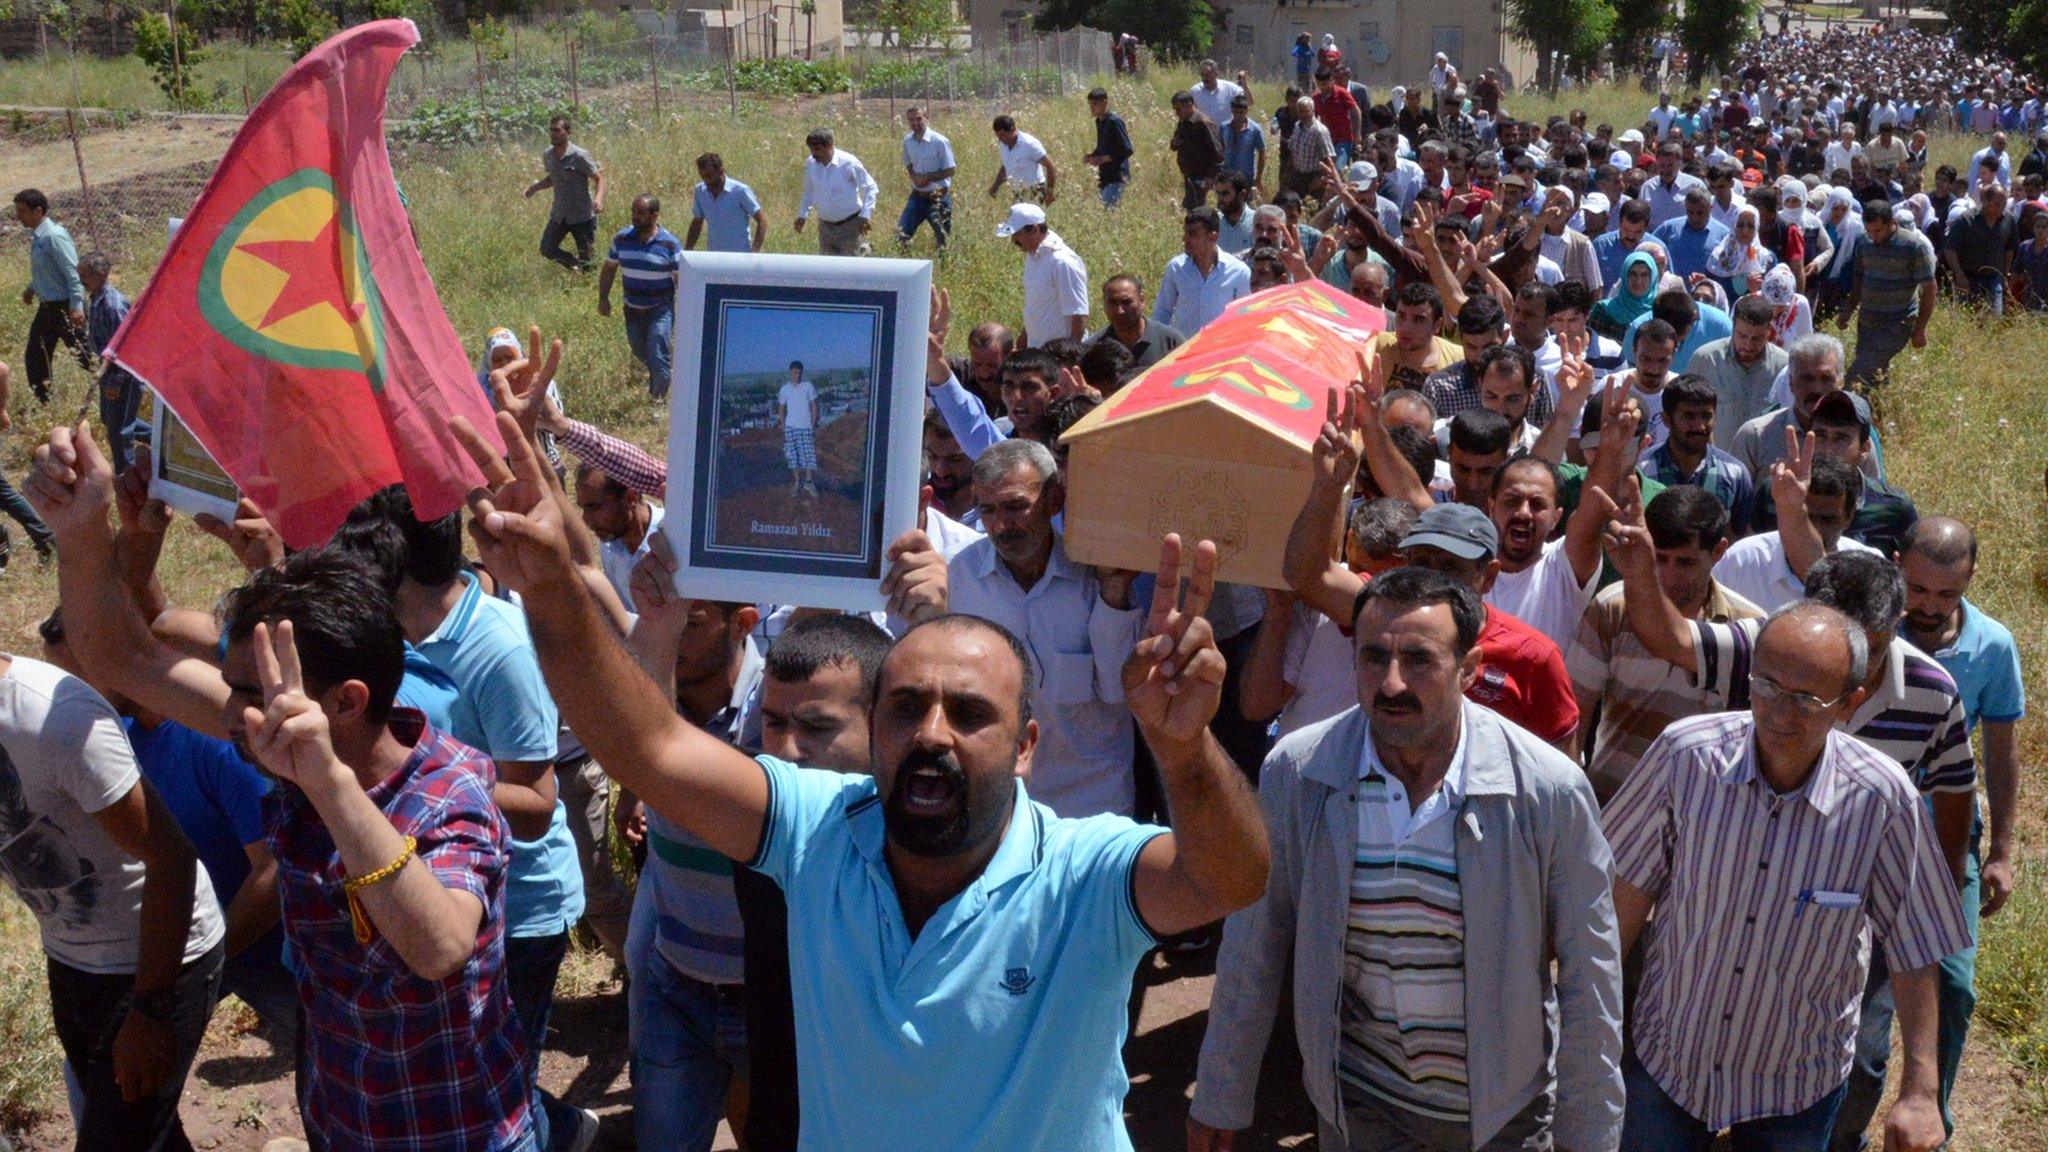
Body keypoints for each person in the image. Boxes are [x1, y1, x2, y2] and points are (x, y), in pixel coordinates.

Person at [458, 404, 1272, 1150]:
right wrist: (552, 588)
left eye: (970, 713)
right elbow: (649, 749)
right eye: (906, 705)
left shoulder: (1079, 874)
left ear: (1028, 746)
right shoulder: (818, 830)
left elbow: (1228, 878)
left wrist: (1184, 748)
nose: (933, 734)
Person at [32, 424, 537, 1151]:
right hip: (341, 1120)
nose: (233, 710)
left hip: (453, 1130)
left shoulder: (449, 790)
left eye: (254, 692)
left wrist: (327, 784)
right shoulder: (279, 734)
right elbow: (121, 655)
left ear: (348, 702)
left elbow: (438, 947)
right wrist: (82, 530)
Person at [1190, 565, 1624, 1152]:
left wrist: (1588, 1139)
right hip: (1362, 1109)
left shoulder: (1546, 790)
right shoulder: (1302, 772)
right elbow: (1254, 939)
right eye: (1373, 657)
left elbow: (1590, 978)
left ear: (1469, 670)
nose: (1391, 682)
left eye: (1419, 659)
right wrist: (1221, 1092)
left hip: (1504, 1119)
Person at [1597, 592, 1968, 1152]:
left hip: (1796, 1080)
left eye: (1806, 700)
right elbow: (1621, 902)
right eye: (1766, 687)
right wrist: (1583, 1028)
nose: (1777, 713)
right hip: (1670, 1056)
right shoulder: (1686, 759)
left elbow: (1916, 942)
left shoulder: (1883, 800)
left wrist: (1919, 1090)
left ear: (1850, 704)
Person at [0, 636, 223, 1152]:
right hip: (73, 959)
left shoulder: (53, 721)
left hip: (160, 958)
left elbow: (171, 857)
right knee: (145, 1134)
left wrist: (150, 1011)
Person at [729, 614, 894, 1152]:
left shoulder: (927, 848)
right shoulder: (762, 822)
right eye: (774, 722)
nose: (788, 749)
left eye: (818, 728)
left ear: (885, 721)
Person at [1887, 517, 2024, 1144]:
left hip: (1946, 836)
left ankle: (1927, 1118)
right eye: (1917, 590)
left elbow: (2000, 750)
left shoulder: (1992, 646)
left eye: (1946, 594)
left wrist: (2000, 850)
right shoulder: (1869, 629)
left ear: (1970, 580)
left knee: (1955, 982)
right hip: (1864, 830)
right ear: (1897, 568)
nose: (1929, 607)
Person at [942, 438, 1144, 817]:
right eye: (988, 510)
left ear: (1054, 501)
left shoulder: (1097, 577)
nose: (1001, 526)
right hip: (997, 799)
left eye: (1015, 507)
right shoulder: (959, 578)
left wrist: (1114, 596)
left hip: (1093, 800)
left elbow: (1119, 691)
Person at [1568, 485, 1763, 803]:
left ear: (1718, 552)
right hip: (1613, 803)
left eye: (1685, 563)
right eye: (1659, 559)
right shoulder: (1612, 609)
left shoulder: (1747, 627)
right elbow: (1575, 715)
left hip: (1700, 816)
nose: (1669, 576)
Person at [1640, 374, 1755, 536]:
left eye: (1706, 416)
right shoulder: (1643, 470)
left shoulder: (1734, 474)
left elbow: (1740, 538)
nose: (1699, 426)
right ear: (1667, 419)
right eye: (1689, 416)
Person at [1838, 200, 1936, 390]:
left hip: (1897, 323)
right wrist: (1848, 311)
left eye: (1878, 231)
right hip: (1867, 322)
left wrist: (1920, 328)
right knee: (1874, 377)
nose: (1873, 236)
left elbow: (1930, 289)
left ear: (1892, 223)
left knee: (1855, 378)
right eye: (1869, 231)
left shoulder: (1913, 246)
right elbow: (1859, 279)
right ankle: (1878, 414)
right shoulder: (1864, 243)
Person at [598, 194, 682, 399]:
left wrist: (687, 308)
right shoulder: (622, 239)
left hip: (660, 308)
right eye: (633, 212)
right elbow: (609, 268)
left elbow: (680, 278)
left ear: (654, 216)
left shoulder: (669, 244)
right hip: (632, 308)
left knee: (657, 351)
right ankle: (662, 371)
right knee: (639, 349)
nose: (635, 217)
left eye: (641, 213)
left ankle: (658, 400)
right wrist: (603, 297)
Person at [14, 188, 88, 404]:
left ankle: (117, 388)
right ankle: (44, 405)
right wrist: (32, 287)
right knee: (36, 358)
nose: (18, 217)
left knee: (86, 356)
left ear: (38, 211)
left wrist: (77, 306)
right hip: (47, 309)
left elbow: (73, 273)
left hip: (66, 309)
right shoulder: (38, 236)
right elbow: (47, 270)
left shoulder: (54, 236)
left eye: (22, 211)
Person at [1689, 295, 1789, 450]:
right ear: (1733, 326)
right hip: (1716, 462)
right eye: (1742, 336)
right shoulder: (1705, 360)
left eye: (1757, 338)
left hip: (1763, 464)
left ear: (1769, 330)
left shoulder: (1784, 368)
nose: (1748, 345)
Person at [77, 253, 145, 472]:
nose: (81, 280)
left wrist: (115, 383)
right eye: (79, 275)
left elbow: (127, 348)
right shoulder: (95, 299)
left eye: (85, 275)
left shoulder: (112, 305)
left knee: (119, 430)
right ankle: (161, 440)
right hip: (109, 371)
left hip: (123, 374)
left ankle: (126, 476)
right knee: (110, 418)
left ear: (102, 275)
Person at [997, 203, 1089, 348]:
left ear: (1034, 229)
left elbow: (1078, 314)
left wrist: (1071, 356)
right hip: (1038, 351)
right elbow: (1038, 307)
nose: (1013, 240)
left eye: (1017, 234)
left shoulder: (1062, 262)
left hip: (1059, 355)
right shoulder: (1033, 256)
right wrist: (1023, 341)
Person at [1154, 208, 1252, 336]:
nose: (1185, 239)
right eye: (1185, 232)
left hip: (1218, 350)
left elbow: (1245, 317)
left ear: (1213, 237)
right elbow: (1162, 311)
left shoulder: (1239, 272)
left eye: (1192, 234)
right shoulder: (1176, 268)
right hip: (1183, 349)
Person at [524, 117, 604, 271]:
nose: (553, 133)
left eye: (557, 130)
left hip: (582, 215)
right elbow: (552, 178)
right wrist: (535, 188)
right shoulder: (548, 154)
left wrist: (599, 199)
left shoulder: (579, 155)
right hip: (560, 214)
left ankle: (588, 284)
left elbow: (599, 179)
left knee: (588, 262)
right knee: (546, 248)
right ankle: (573, 264)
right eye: (551, 130)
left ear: (568, 133)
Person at [795, 128, 878, 257]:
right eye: (811, 149)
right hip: (825, 227)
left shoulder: (849, 163)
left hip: (851, 226)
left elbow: (871, 187)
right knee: (828, 270)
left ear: (829, 145)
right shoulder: (811, 163)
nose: (813, 153)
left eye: (817, 149)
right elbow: (808, 191)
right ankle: (866, 250)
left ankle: (867, 251)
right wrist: (802, 215)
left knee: (850, 269)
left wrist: (865, 215)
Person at [1942, 181, 2014, 314]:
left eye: (2004, 204)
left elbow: (2010, 247)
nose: (2001, 208)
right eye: (1997, 204)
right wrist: (1959, 274)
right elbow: (1950, 249)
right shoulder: (1966, 220)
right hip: (1969, 278)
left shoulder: (2008, 220)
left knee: (1994, 316)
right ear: (1986, 201)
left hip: (1995, 278)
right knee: (1967, 316)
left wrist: (2006, 272)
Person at [1089, 274, 1183, 371]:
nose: (1119, 311)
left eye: (1126, 302)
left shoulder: (1170, 342)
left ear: (1141, 301)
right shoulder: (1092, 350)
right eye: (1113, 303)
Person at [898, 106, 956, 251]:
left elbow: (951, 169)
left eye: (919, 118)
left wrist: (928, 177)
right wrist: (915, 177)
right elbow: (908, 163)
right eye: (911, 120)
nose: (915, 123)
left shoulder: (939, 141)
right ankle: (905, 268)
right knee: (901, 235)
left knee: (943, 239)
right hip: (917, 197)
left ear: (927, 117)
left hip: (938, 198)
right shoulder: (907, 141)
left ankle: (944, 269)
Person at [685, 152, 766, 254]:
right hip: (714, 257)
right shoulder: (700, 191)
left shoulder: (740, 191)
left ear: (721, 171)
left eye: (709, 175)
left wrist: (754, 253)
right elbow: (697, 222)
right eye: (703, 176)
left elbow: (762, 220)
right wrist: (687, 252)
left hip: (740, 257)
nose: (706, 180)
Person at [1169, 90, 1226, 210]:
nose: (1176, 113)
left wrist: (1211, 176)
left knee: (1194, 207)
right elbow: (1176, 141)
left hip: (1202, 175)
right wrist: (1174, 143)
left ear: (1190, 105)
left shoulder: (1203, 123)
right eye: (1175, 109)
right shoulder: (1184, 121)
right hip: (1190, 173)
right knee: (1192, 205)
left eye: (1178, 109)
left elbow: (1217, 152)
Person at [1082, 88, 1135, 208]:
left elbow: (1127, 149)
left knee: (1110, 213)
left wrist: (1105, 159)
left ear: (1105, 103)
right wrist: (1092, 156)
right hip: (1105, 176)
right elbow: (1103, 147)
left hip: (1117, 176)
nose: (1091, 108)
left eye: (1095, 104)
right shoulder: (1100, 122)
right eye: (1090, 104)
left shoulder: (1114, 121)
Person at [988, 114, 1056, 204]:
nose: (1000, 139)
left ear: (1012, 129)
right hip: (1018, 192)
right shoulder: (1004, 145)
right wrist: (995, 186)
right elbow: (1006, 166)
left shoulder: (1029, 144)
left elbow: (1050, 166)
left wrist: (1049, 192)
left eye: (1003, 135)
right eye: (998, 136)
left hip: (1035, 191)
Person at [778, 360, 822, 497]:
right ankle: (797, 481)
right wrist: (784, 427)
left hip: (806, 427)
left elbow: (814, 406)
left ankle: (808, 482)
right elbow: (781, 409)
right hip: (791, 427)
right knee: (793, 456)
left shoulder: (808, 386)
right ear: (790, 372)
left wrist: (813, 424)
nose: (797, 375)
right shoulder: (784, 389)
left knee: (809, 456)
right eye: (795, 372)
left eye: (799, 372)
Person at [1219, 95, 1267, 192]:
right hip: (1227, 175)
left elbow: (1262, 153)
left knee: (1244, 203)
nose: (1238, 116)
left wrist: (1258, 177)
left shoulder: (1255, 129)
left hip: (1246, 177)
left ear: (1246, 111)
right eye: (1235, 112)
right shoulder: (1224, 127)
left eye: (1241, 113)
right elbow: (1221, 149)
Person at [1190, 59, 1249, 127]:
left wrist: (1244, 84)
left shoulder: (1230, 89)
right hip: (1204, 135)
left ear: (1216, 74)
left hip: (1226, 135)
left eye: (1207, 75)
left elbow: (1249, 102)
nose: (1204, 78)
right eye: (1202, 75)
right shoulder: (1195, 91)